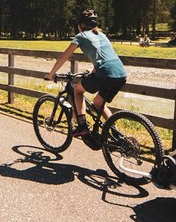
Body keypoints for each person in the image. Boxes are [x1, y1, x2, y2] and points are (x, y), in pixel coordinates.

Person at [44, 9, 127, 138]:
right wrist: (94, 69)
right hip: (120, 73)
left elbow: (64, 57)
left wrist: (51, 74)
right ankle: (117, 136)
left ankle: (82, 126)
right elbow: (104, 55)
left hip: (104, 73)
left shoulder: (80, 36)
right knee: (98, 104)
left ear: (81, 25)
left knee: (77, 89)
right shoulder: (102, 35)